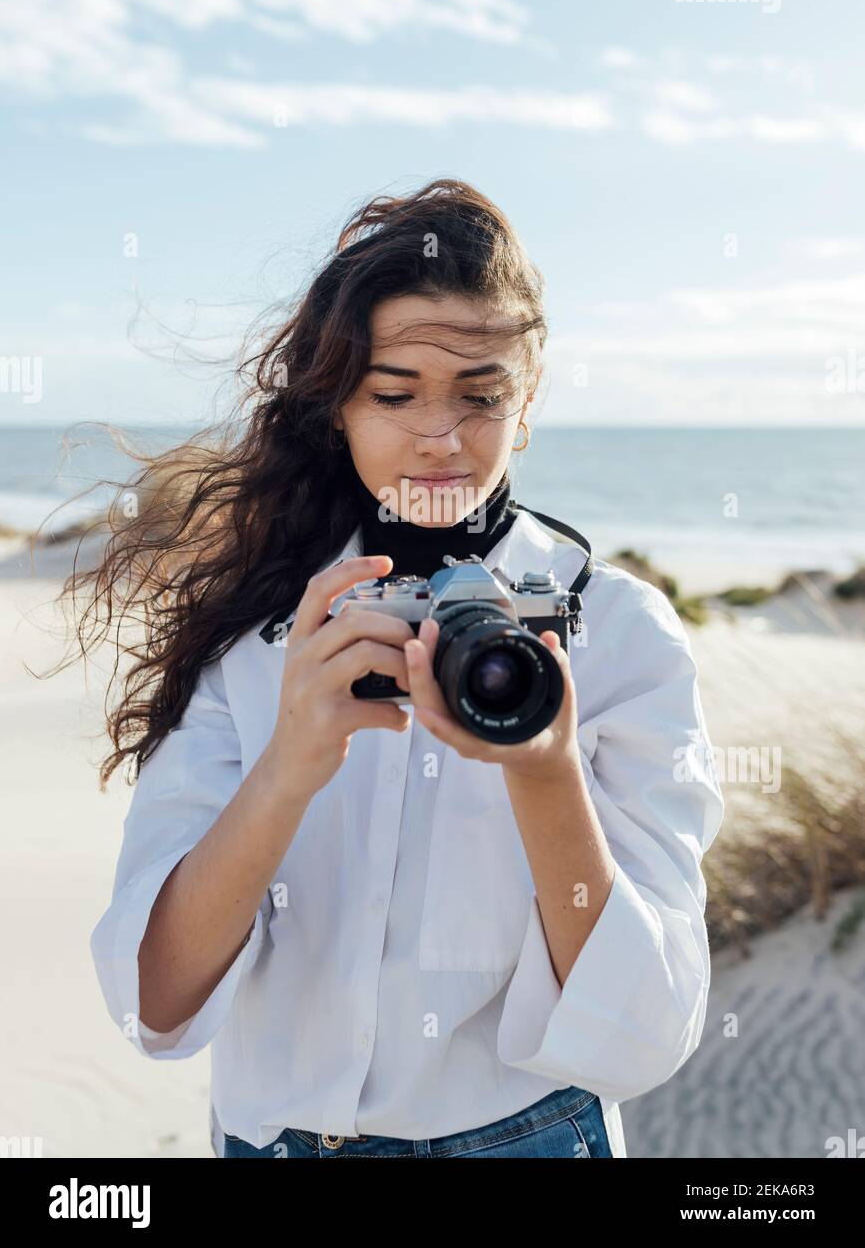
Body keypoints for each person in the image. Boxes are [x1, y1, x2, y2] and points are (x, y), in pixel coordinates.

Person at [78, 178, 724, 1158]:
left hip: (527, 1138)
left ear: (529, 398)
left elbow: (647, 1029)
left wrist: (540, 769)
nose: (438, 436)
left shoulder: (616, 629)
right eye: (393, 394)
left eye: (480, 396)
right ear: (337, 401)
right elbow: (155, 1001)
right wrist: (290, 764)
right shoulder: (257, 626)